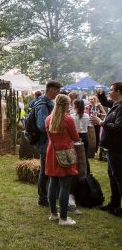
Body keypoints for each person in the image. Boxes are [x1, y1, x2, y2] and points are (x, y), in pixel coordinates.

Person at [45, 94, 80, 226]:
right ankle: (63, 218)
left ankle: (54, 214)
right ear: (66, 105)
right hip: (64, 153)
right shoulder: (68, 119)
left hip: (52, 152)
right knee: (65, 186)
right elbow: (75, 137)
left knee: (53, 183)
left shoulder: (49, 119)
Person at [91, 82, 122, 217]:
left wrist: (101, 122)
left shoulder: (121, 107)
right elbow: (105, 101)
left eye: (111, 90)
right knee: (112, 176)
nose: (109, 92)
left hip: (117, 148)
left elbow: (119, 128)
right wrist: (101, 94)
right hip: (111, 148)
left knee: (119, 177)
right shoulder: (116, 105)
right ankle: (114, 203)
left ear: (119, 91)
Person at [35, 80, 62, 207]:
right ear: (51, 90)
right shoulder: (42, 104)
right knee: (45, 172)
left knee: (46, 171)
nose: (58, 93)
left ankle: (46, 197)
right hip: (45, 142)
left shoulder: (47, 102)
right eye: (57, 90)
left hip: (48, 141)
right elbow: (41, 125)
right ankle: (43, 198)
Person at [71, 99, 91, 175]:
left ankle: (77, 173)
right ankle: (87, 172)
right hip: (85, 136)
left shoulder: (72, 116)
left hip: (76, 136)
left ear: (75, 106)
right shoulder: (87, 115)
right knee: (85, 156)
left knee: (75, 156)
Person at [87, 95, 107, 159]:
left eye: (92, 99)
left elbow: (105, 114)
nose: (90, 101)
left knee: (97, 137)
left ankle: (95, 151)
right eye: (90, 99)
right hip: (90, 123)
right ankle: (90, 150)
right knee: (90, 137)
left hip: (97, 123)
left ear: (95, 99)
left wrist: (99, 114)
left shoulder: (99, 105)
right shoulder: (89, 106)